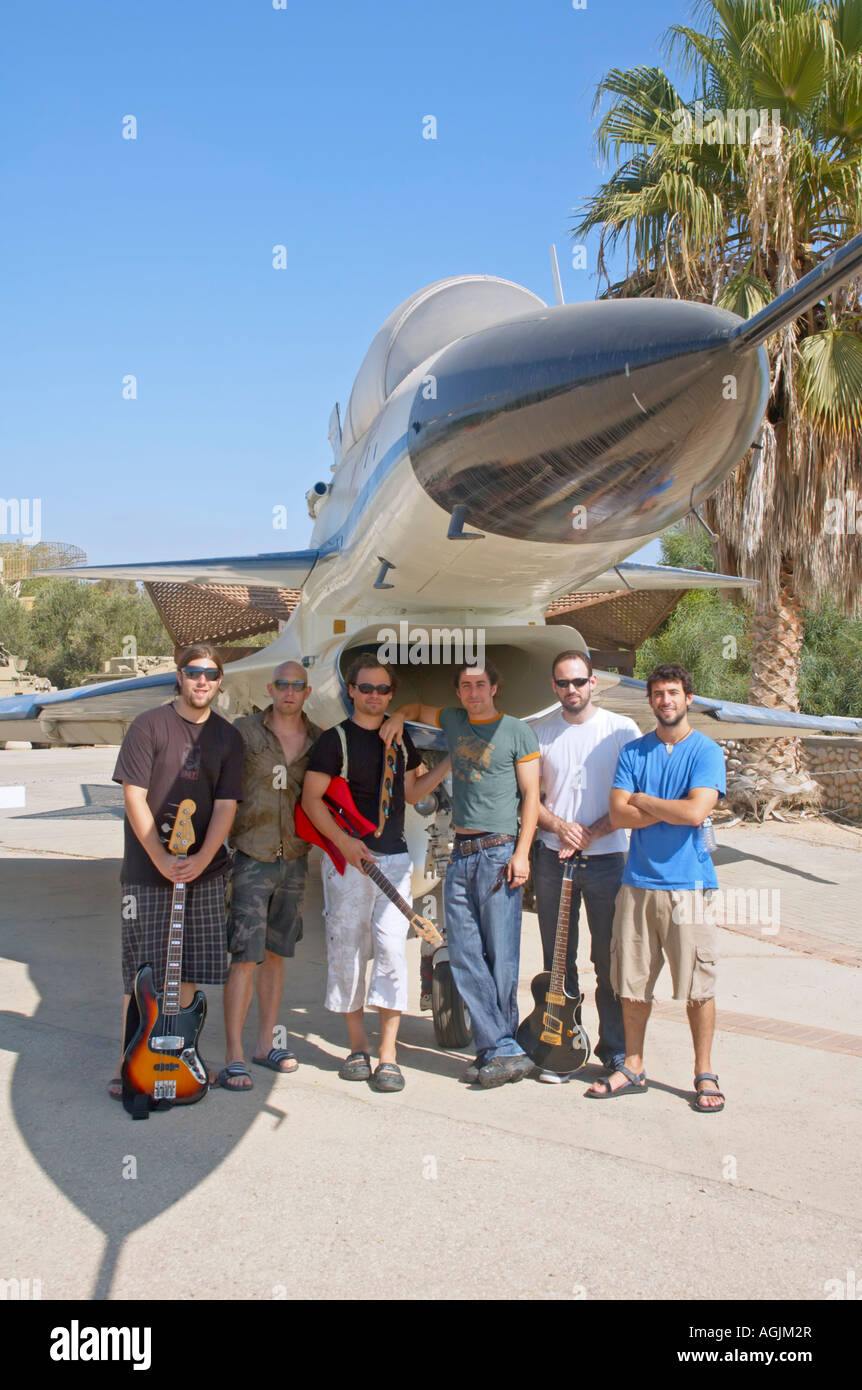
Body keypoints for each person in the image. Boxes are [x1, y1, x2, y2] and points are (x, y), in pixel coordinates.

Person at [383, 662, 540, 1089]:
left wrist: (522, 853)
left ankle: (497, 1048)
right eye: (466, 686)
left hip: (499, 851)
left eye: (480, 685)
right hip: (462, 854)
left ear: (494, 688)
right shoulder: (453, 720)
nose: (473, 692)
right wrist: (398, 717)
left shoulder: (517, 732)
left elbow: (531, 796)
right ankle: (501, 1049)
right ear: (458, 692)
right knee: (465, 954)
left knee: (501, 956)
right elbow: (415, 707)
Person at [301, 654, 449, 1093]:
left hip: (394, 860)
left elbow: (411, 792)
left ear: (391, 694)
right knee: (347, 950)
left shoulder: (399, 739)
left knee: (390, 953)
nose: (374, 696)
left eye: (383, 689)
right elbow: (311, 799)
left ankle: (388, 1054)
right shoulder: (334, 741)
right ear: (351, 690)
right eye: (366, 688)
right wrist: (344, 843)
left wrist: (448, 764)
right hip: (348, 861)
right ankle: (357, 1048)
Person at [586, 663, 726, 1112]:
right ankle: (633, 1065)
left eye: (673, 692)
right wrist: (672, 807)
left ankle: (704, 1072)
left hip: (690, 886)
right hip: (637, 883)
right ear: (650, 701)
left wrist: (644, 800)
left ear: (688, 698)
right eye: (659, 693)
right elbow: (618, 815)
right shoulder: (634, 752)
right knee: (632, 983)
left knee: (698, 986)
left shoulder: (706, 752)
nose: (666, 700)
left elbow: (696, 813)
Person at [109, 644, 243, 1099]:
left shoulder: (227, 737)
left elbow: (226, 805)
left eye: (211, 674)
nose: (202, 680)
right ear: (180, 676)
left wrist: (201, 860)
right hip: (147, 870)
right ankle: (127, 1065)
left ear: (219, 681)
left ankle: (178, 1058)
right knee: (141, 971)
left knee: (186, 970)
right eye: (194, 672)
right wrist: (160, 858)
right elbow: (133, 796)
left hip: (204, 872)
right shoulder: (148, 725)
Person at [532, 649, 641, 1082]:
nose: (571, 689)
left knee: (608, 958)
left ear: (593, 682)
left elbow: (634, 797)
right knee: (558, 958)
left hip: (607, 860)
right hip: (552, 858)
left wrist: (592, 832)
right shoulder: (540, 733)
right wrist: (560, 827)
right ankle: (561, 1046)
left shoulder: (621, 730)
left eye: (579, 681)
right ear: (553, 687)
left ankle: (613, 1050)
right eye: (563, 683)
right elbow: (529, 800)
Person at [219, 661, 322, 1092]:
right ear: (271, 688)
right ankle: (234, 1055)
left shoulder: (319, 740)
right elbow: (218, 784)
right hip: (251, 856)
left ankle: (265, 1045)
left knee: (276, 954)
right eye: (282, 684)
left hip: (293, 859)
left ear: (307, 692)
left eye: (297, 685)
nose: (289, 692)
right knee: (245, 956)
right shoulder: (244, 732)